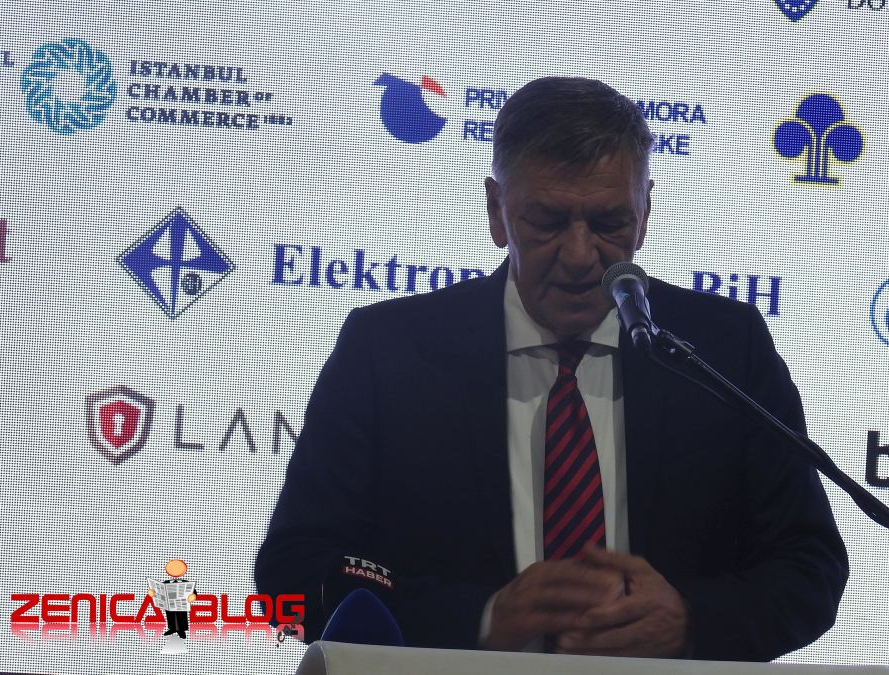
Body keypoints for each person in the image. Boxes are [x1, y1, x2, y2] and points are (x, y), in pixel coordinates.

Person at [255, 76, 847, 662]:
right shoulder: (388, 351)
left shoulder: (723, 347)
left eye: (610, 223)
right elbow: (293, 574)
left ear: (645, 212)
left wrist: (692, 621)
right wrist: (483, 619)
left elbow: (809, 566)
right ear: (497, 212)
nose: (581, 256)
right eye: (547, 221)